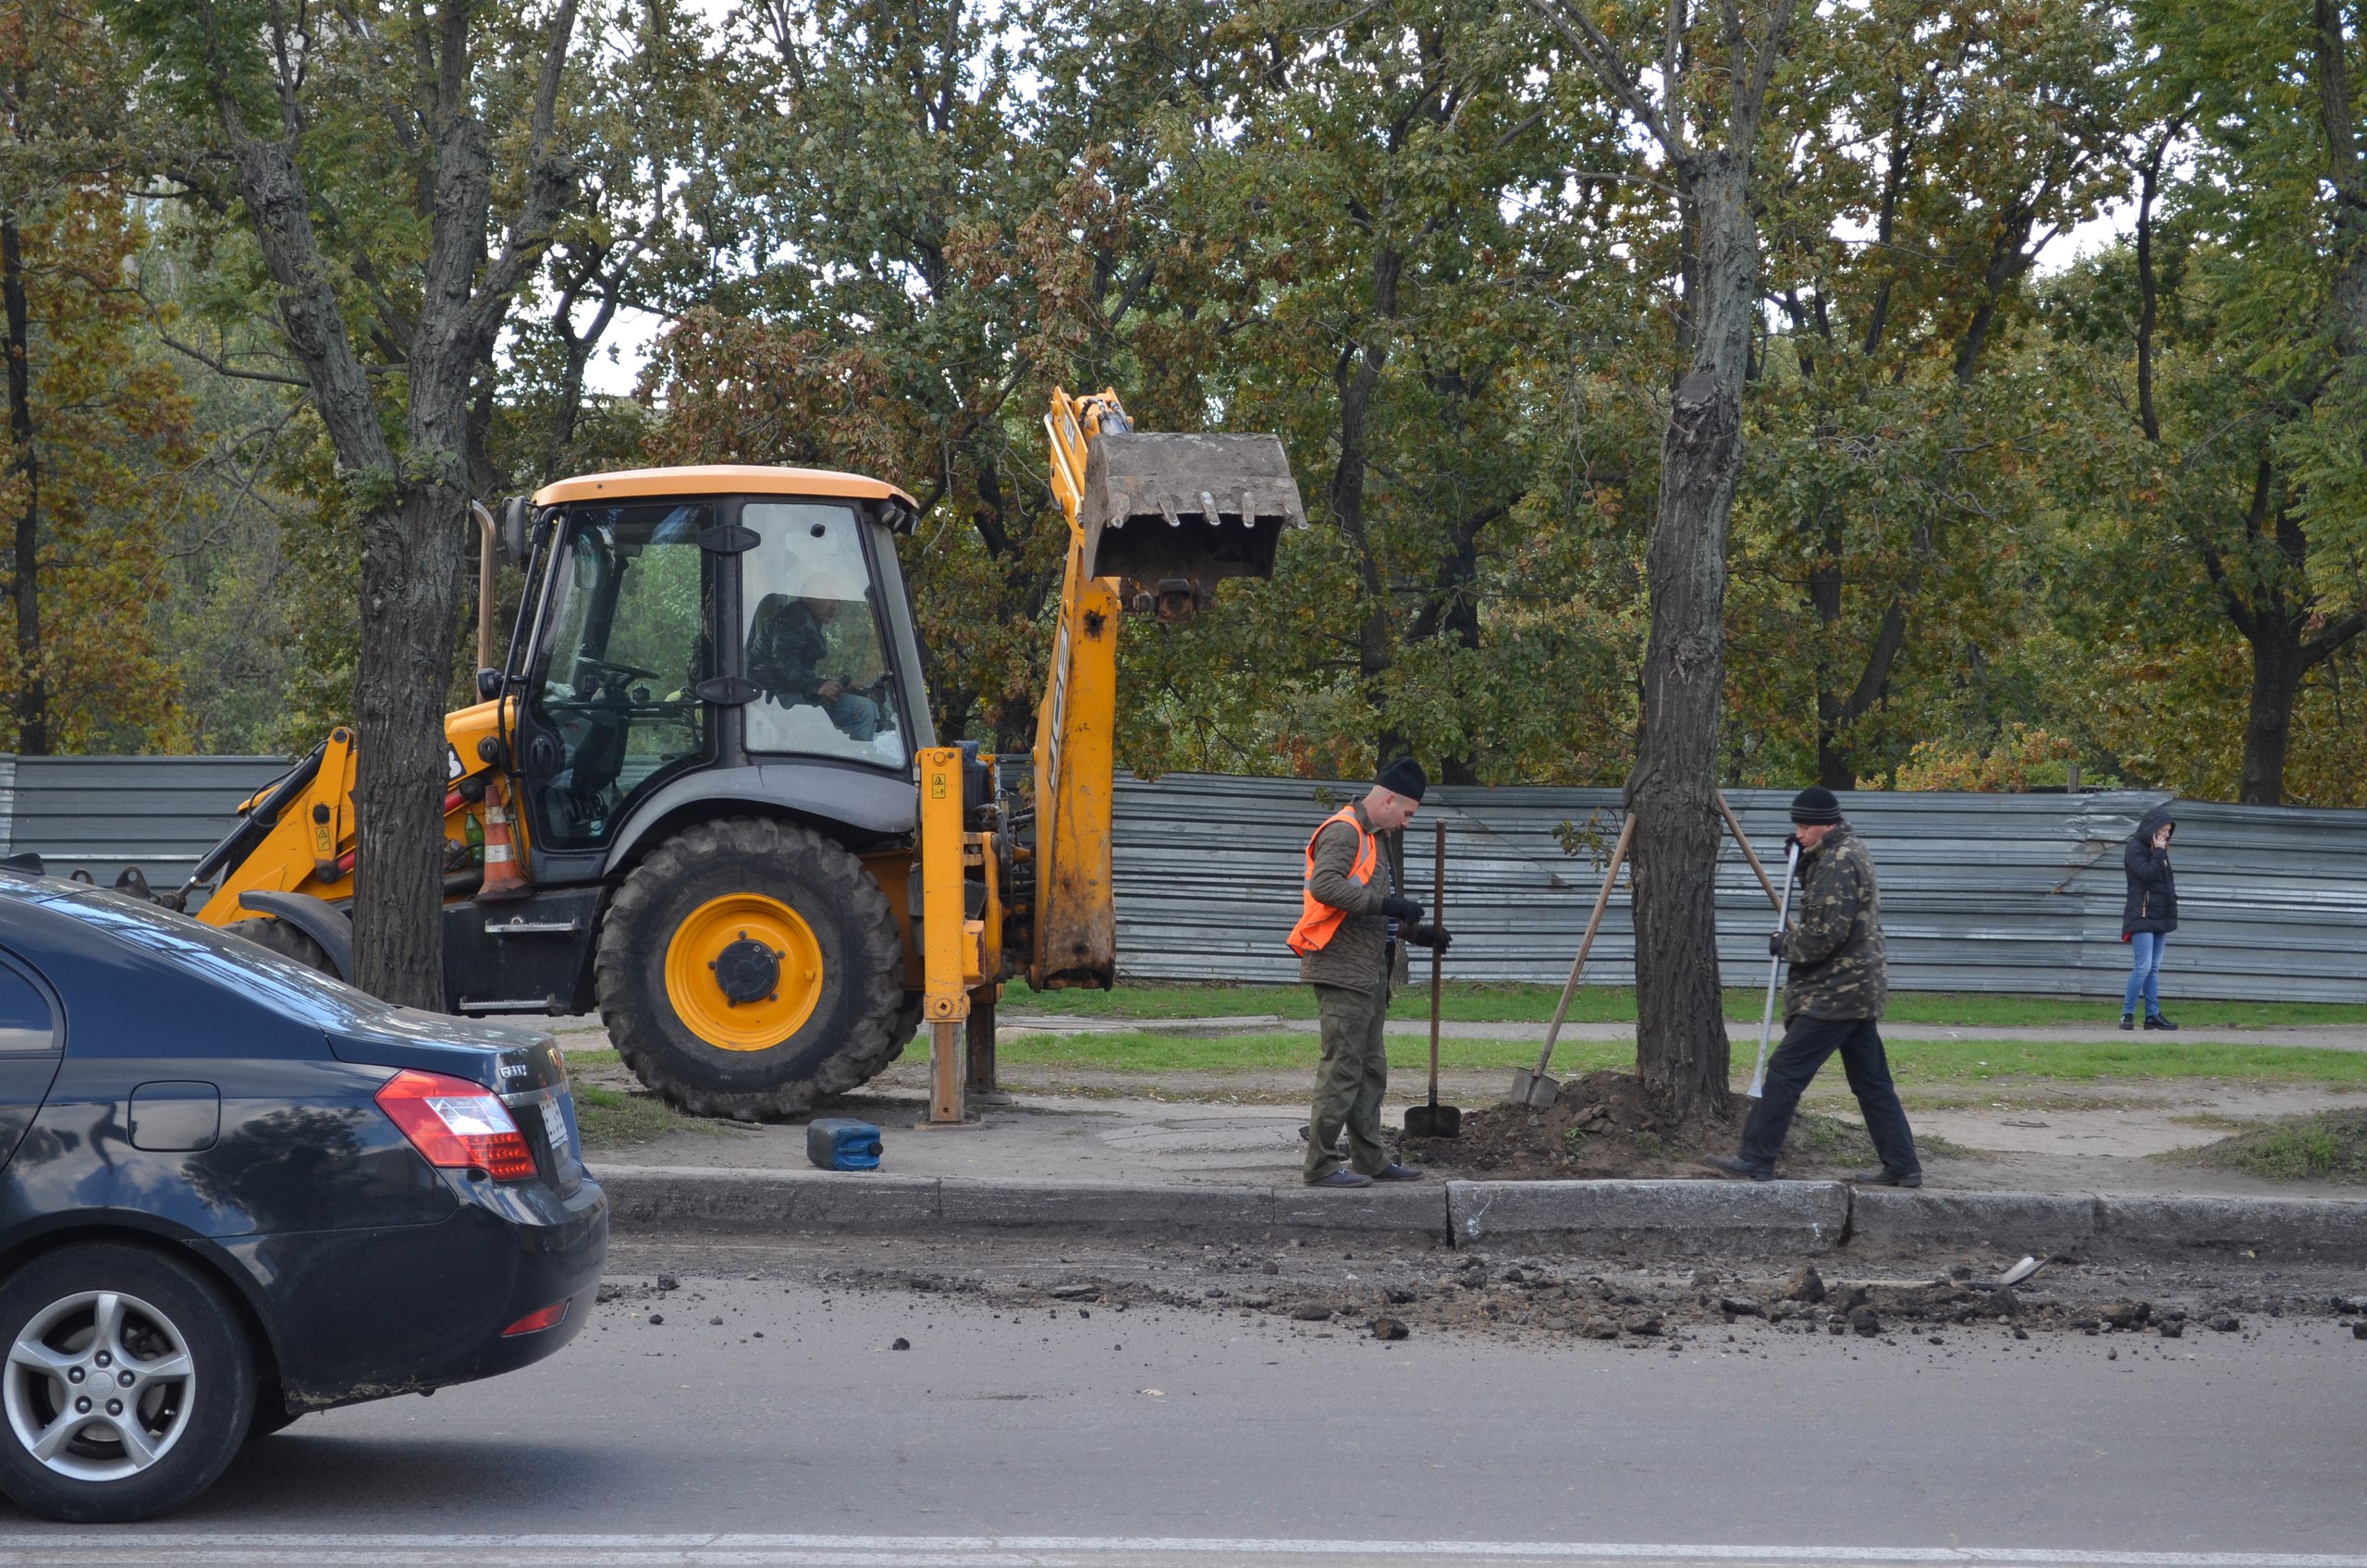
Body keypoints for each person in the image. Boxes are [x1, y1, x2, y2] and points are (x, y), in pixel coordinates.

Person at [1706, 785, 1922, 1188]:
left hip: (1835, 991)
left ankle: (1756, 1156)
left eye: (1805, 827)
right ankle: (1902, 1165)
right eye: (1797, 826)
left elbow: (1825, 934)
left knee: (1786, 1070)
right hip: (1857, 987)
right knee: (1871, 1081)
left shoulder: (1839, 863)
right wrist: (1804, 858)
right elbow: (1827, 904)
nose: (1799, 833)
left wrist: (1784, 944)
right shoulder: (1844, 851)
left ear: (1827, 824)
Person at [1287, 758, 1452, 1188]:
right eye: (1408, 814)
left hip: (1367, 972)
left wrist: (1417, 934)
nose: (1408, 823)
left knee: (1370, 1069)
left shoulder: (1372, 838)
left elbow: (1367, 914)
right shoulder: (1345, 831)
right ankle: (1320, 1165)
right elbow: (1326, 886)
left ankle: (1370, 1159)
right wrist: (1387, 905)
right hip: (1341, 970)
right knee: (1343, 1069)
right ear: (1389, 799)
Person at [745, 589, 882, 741]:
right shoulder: (792, 619)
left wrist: (840, 685)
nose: (835, 606)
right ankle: (856, 760)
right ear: (808, 597)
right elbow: (786, 665)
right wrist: (817, 686)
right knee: (863, 710)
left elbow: (798, 671)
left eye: (838, 601)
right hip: (775, 700)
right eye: (829, 598)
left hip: (786, 695)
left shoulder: (805, 620)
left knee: (871, 708)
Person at [2121, 804, 2178, 1031]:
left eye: (2168, 831)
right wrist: (2158, 852)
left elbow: (2166, 884)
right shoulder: (2135, 848)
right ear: (2152, 829)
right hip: (2141, 914)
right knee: (2142, 967)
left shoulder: (2160, 852)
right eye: (2163, 830)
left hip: (2159, 917)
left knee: (2154, 968)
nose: (2166, 835)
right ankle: (2127, 1014)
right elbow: (2146, 874)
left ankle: (2152, 1015)